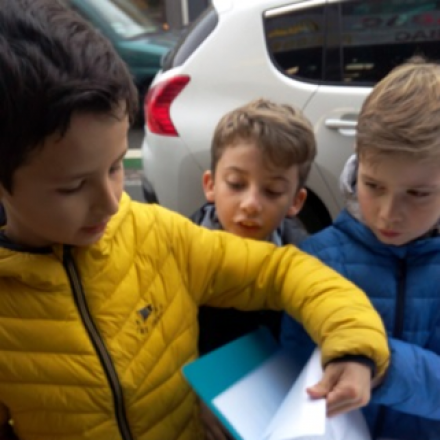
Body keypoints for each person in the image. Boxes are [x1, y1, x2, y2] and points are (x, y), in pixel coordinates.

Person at [0, 1, 390, 440]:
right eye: (73, 187)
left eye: (114, 168)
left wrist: (352, 345)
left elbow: (283, 269)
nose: (112, 203)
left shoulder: (158, 236)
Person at [281, 57, 440, 440]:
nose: (388, 214)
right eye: (373, 186)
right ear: (356, 166)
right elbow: (289, 375)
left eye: (417, 194)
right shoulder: (317, 260)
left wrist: (380, 366)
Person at [192, 98, 311, 355]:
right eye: (236, 184)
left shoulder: (307, 260)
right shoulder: (179, 255)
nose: (251, 204)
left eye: (272, 190)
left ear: (296, 201)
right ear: (211, 185)